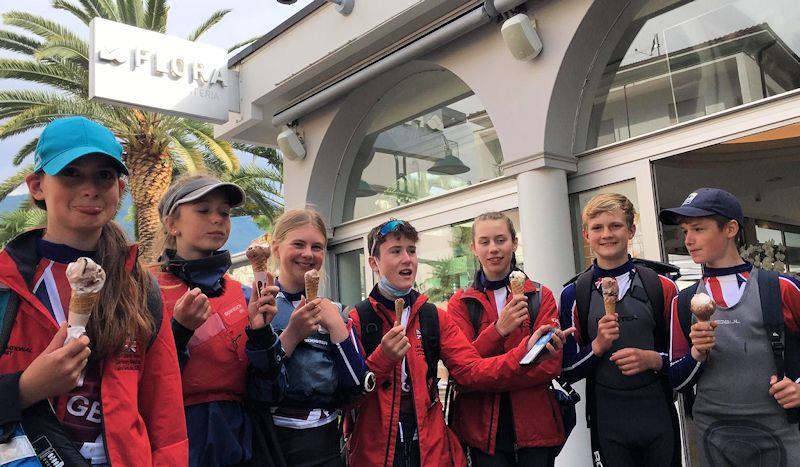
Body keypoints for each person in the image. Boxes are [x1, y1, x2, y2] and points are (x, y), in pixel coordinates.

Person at [0, 116, 187, 466]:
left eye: (104, 175)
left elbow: (164, 407)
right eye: (71, 173)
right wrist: (25, 389)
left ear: (119, 188)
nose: (91, 188)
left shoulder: (139, 284)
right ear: (37, 186)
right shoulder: (5, 282)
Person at [345, 218, 570, 467]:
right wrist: (382, 360)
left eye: (411, 250)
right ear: (373, 262)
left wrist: (526, 352)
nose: (407, 259)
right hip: (374, 453)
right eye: (395, 251)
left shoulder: (432, 316)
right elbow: (346, 398)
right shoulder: (356, 319)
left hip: (430, 450)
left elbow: (470, 370)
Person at [661, 187, 800, 466]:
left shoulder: (780, 288)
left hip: (779, 431)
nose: (689, 240)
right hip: (713, 435)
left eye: (698, 229)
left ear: (731, 228)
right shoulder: (683, 300)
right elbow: (675, 380)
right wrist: (697, 354)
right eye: (685, 231)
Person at [153, 175, 284, 466]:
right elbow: (140, 385)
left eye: (224, 213)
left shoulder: (246, 294)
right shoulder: (146, 290)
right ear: (172, 224)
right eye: (203, 210)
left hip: (241, 445)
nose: (217, 219)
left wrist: (262, 335)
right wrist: (180, 331)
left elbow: (270, 392)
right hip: (173, 443)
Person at [560, 193, 680, 467]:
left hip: (657, 413)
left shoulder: (661, 285)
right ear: (586, 235)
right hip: (607, 418)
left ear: (631, 230)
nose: (606, 234)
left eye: (615, 226)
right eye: (597, 228)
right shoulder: (573, 294)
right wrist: (597, 346)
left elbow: (685, 359)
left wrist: (653, 359)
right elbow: (565, 370)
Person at [247, 208, 372, 467]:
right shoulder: (259, 304)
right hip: (272, 441)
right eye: (298, 244)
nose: (308, 254)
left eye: (317, 247)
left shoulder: (335, 310)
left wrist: (337, 327)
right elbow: (257, 387)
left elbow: (359, 386)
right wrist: (292, 335)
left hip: (324, 442)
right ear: (277, 248)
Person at [447, 212, 565, 466]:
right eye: (485, 242)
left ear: (514, 242)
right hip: (482, 434)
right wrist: (498, 330)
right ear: (473, 248)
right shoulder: (461, 303)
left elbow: (550, 365)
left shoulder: (540, 296)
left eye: (500, 240)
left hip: (535, 430)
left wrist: (484, 376)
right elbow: (462, 372)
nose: (493, 249)